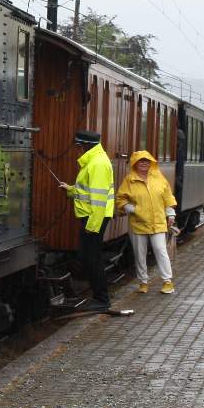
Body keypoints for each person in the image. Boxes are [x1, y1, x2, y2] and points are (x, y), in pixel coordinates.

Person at [61, 129, 115, 311]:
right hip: (92, 217)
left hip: (94, 218)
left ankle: (102, 300)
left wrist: (92, 226)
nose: (77, 150)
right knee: (88, 257)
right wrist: (70, 189)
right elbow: (87, 191)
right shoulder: (94, 161)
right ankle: (100, 297)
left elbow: (98, 200)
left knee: (92, 258)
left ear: (85, 145)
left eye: (79, 146)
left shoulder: (97, 164)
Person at [116, 150, 180, 295]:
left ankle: (167, 281)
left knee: (160, 250)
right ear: (135, 163)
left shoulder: (159, 178)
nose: (144, 163)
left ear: (151, 162)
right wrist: (133, 209)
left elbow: (168, 198)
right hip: (138, 223)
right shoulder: (129, 180)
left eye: (147, 161)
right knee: (140, 254)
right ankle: (143, 282)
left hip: (158, 222)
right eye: (141, 161)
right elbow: (121, 199)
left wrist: (170, 214)